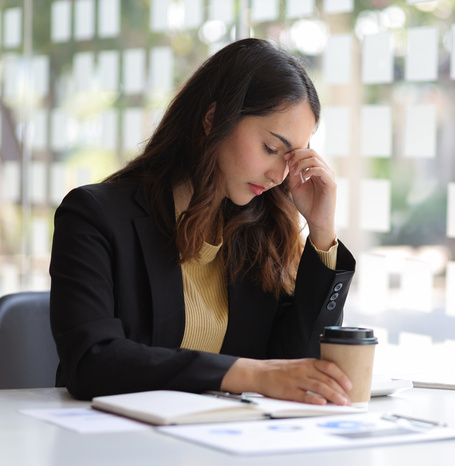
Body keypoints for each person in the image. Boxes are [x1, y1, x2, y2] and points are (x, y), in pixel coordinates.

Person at [49, 38, 355, 406]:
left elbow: (296, 365)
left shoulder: (258, 232)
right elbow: (91, 362)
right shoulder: (94, 216)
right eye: (271, 149)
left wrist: (322, 233)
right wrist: (247, 374)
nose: (278, 175)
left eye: (290, 158)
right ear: (213, 119)